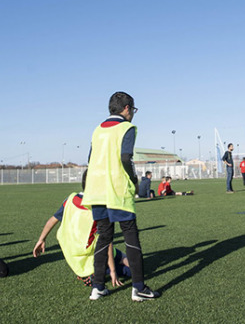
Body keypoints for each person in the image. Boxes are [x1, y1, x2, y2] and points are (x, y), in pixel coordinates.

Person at [81, 91, 159, 301]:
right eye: (133, 110)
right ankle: (139, 287)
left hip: (95, 189)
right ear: (126, 109)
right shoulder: (127, 127)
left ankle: (97, 287)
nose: (133, 114)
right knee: (130, 236)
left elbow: (90, 159)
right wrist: (133, 178)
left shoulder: (97, 130)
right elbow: (126, 157)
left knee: (103, 238)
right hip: (117, 189)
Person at [33, 190, 131, 287]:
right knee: (130, 267)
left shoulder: (71, 199)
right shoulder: (98, 207)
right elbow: (107, 242)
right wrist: (113, 271)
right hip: (90, 252)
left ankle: (87, 273)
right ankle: (95, 273)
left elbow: (53, 219)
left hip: (73, 253)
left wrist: (41, 239)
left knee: (117, 256)